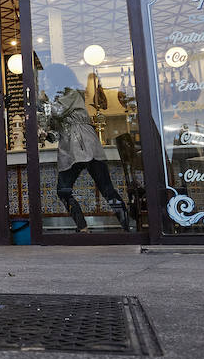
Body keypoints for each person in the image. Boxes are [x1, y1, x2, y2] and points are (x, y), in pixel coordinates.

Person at [39, 63, 134, 232]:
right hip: (77, 147)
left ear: (57, 80)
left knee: (68, 190)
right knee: (103, 189)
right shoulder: (62, 98)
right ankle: (116, 226)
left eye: (47, 78)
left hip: (80, 146)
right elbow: (56, 133)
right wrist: (46, 134)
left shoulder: (71, 93)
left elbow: (57, 111)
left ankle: (121, 225)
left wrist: (41, 100)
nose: (45, 81)